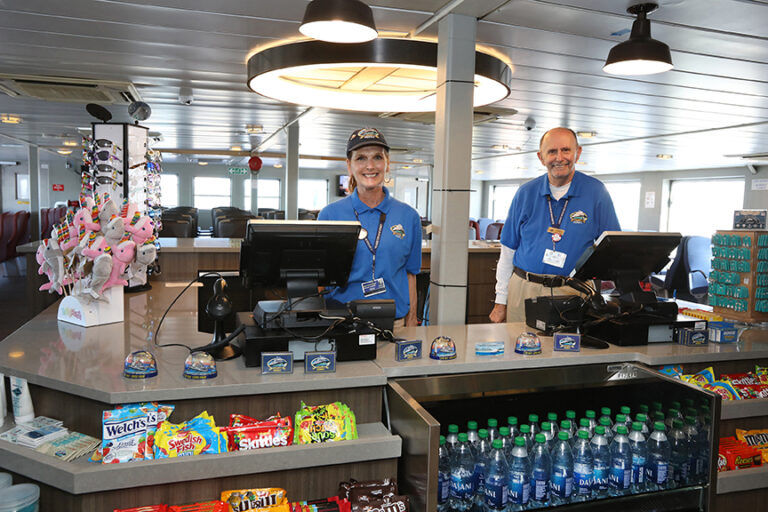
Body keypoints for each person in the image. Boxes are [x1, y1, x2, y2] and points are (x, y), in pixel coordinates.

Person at [489, 127, 621, 323]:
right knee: (518, 349)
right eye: (551, 152)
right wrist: (501, 301)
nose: (559, 157)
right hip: (524, 288)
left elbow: (613, 248)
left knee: (569, 351)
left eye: (566, 150)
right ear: (541, 157)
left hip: (574, 292)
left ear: (578, 152)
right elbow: (508, 251)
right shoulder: (525, 193)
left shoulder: (596, 192)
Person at [319, 127, 422, 327]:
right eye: (361, 159)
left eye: (377, 157)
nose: (370, 166)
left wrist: (411, 322)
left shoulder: (409, 217)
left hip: (395, 323)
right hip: (341, 322)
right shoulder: (330, 215)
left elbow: (410, 274)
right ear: (349, 165)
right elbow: (321, 279)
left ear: (387, 163)